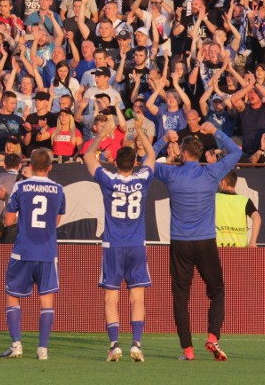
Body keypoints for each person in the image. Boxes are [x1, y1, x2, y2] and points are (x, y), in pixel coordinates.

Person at [153, 121, 242, 361]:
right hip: (205, 241)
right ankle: (213, 337)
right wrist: (215, 132)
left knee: (181, 297)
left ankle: (188, 350)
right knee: (217, 291)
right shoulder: (211, 173)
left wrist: (163, 139)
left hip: (180, 243)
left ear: (182, 153)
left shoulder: (170, 173)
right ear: (200, 153)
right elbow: (237, 152)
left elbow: (147, 162)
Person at [85, 117, 156, 362]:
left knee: (111, 297)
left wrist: (103, 133)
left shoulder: (108, 179)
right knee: (137, 297)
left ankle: (115, 345)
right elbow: (152, 156)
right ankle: (136, 344)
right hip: (136, 245)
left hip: (113, 246)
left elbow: (88, 157)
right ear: (135, 163)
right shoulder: (142, 178)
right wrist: (139, 131)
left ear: (115, 162)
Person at [0, 148, 65, 361]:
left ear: (30, 166)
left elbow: (8, 220)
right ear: (49, 167)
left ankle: (16, 344)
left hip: (23, 250)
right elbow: (55, 222)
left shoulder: (20, 187)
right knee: (46, 300)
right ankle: (42, 349)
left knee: (13, 295)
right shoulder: (58, 189)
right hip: (47, 251)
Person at [215, 171, 261, 248]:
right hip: (240, 251)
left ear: (223, 182)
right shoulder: (245, 201)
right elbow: (257, 219)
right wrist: (252, 242)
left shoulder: (214, 198)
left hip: (218, 249)